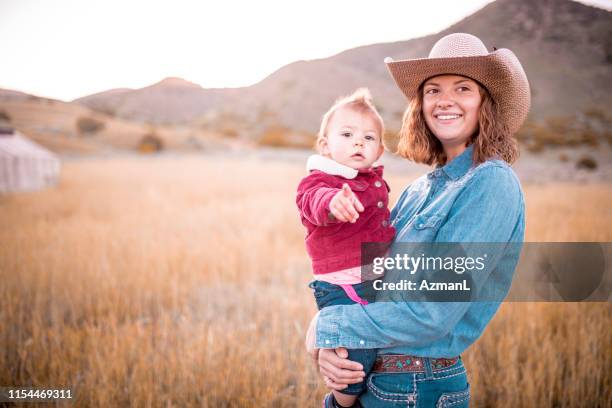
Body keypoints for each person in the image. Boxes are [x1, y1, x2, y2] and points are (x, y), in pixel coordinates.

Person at [305, 33, 530, 407]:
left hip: (418, 388)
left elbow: (431, 313)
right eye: (433, 90)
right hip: (374, 378)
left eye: (463, 88)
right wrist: (338, 350)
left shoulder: (490, 182)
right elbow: (373, 285)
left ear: (485, 103)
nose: (445, 101)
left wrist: (326, 327)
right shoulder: (418, 190)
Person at [296, 88, 396, 407]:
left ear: (379, 150)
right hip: (343, 283)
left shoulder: (374, 181)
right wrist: (332, 203)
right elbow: (310, 200)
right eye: (348, 134)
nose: (358, 142)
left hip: (370, 277)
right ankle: (341, 403)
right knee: (356, 353)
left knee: (375, 348)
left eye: (368, 138)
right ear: (325, 146)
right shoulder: (322, 180)